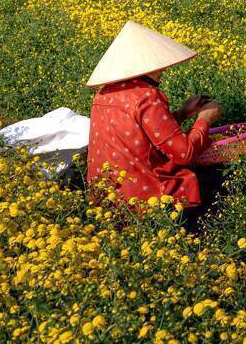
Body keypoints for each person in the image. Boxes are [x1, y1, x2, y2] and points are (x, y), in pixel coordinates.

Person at [85, 20, 225, 229]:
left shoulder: (103, 94)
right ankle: (199, 229)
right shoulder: (147, 97)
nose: (163, 69)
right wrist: (204, 119)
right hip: (144, 197)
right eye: (156, 64)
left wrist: (183, 113)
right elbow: (184, 153)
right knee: (210, 176)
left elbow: (139, 133)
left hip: (107, 196)